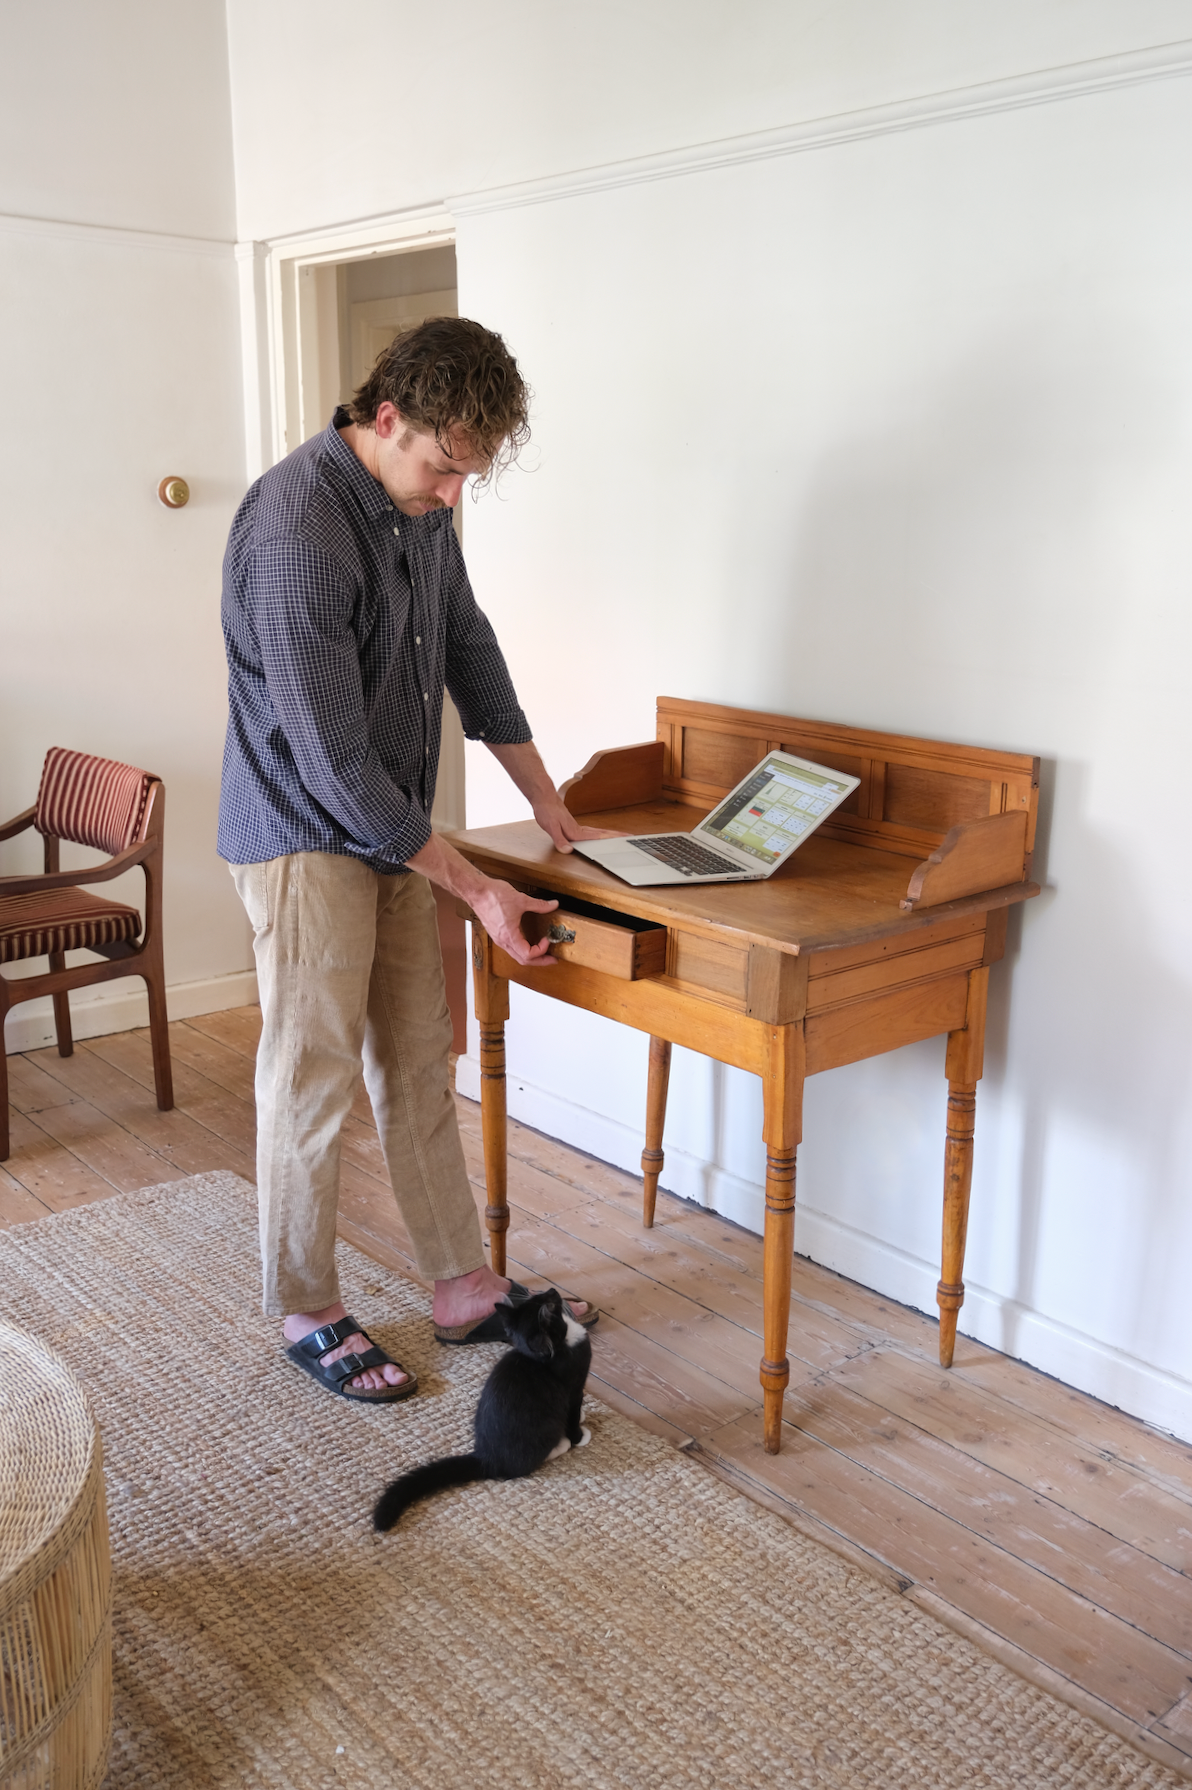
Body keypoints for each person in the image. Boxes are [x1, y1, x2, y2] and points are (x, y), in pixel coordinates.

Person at [218, 316, 608, 1402]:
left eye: (467, 476)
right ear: (383, 418)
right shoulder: (298, 530)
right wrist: (479, 885)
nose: (451, 494)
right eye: (443, 467)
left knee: (418, 1056)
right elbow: (332, 760)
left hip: (393, 830)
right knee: (312, 1076)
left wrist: (546, 798)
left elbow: (467, 643)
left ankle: (460, 1285)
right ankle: (307, 1303)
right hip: (306, 837)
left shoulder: (420, 505)